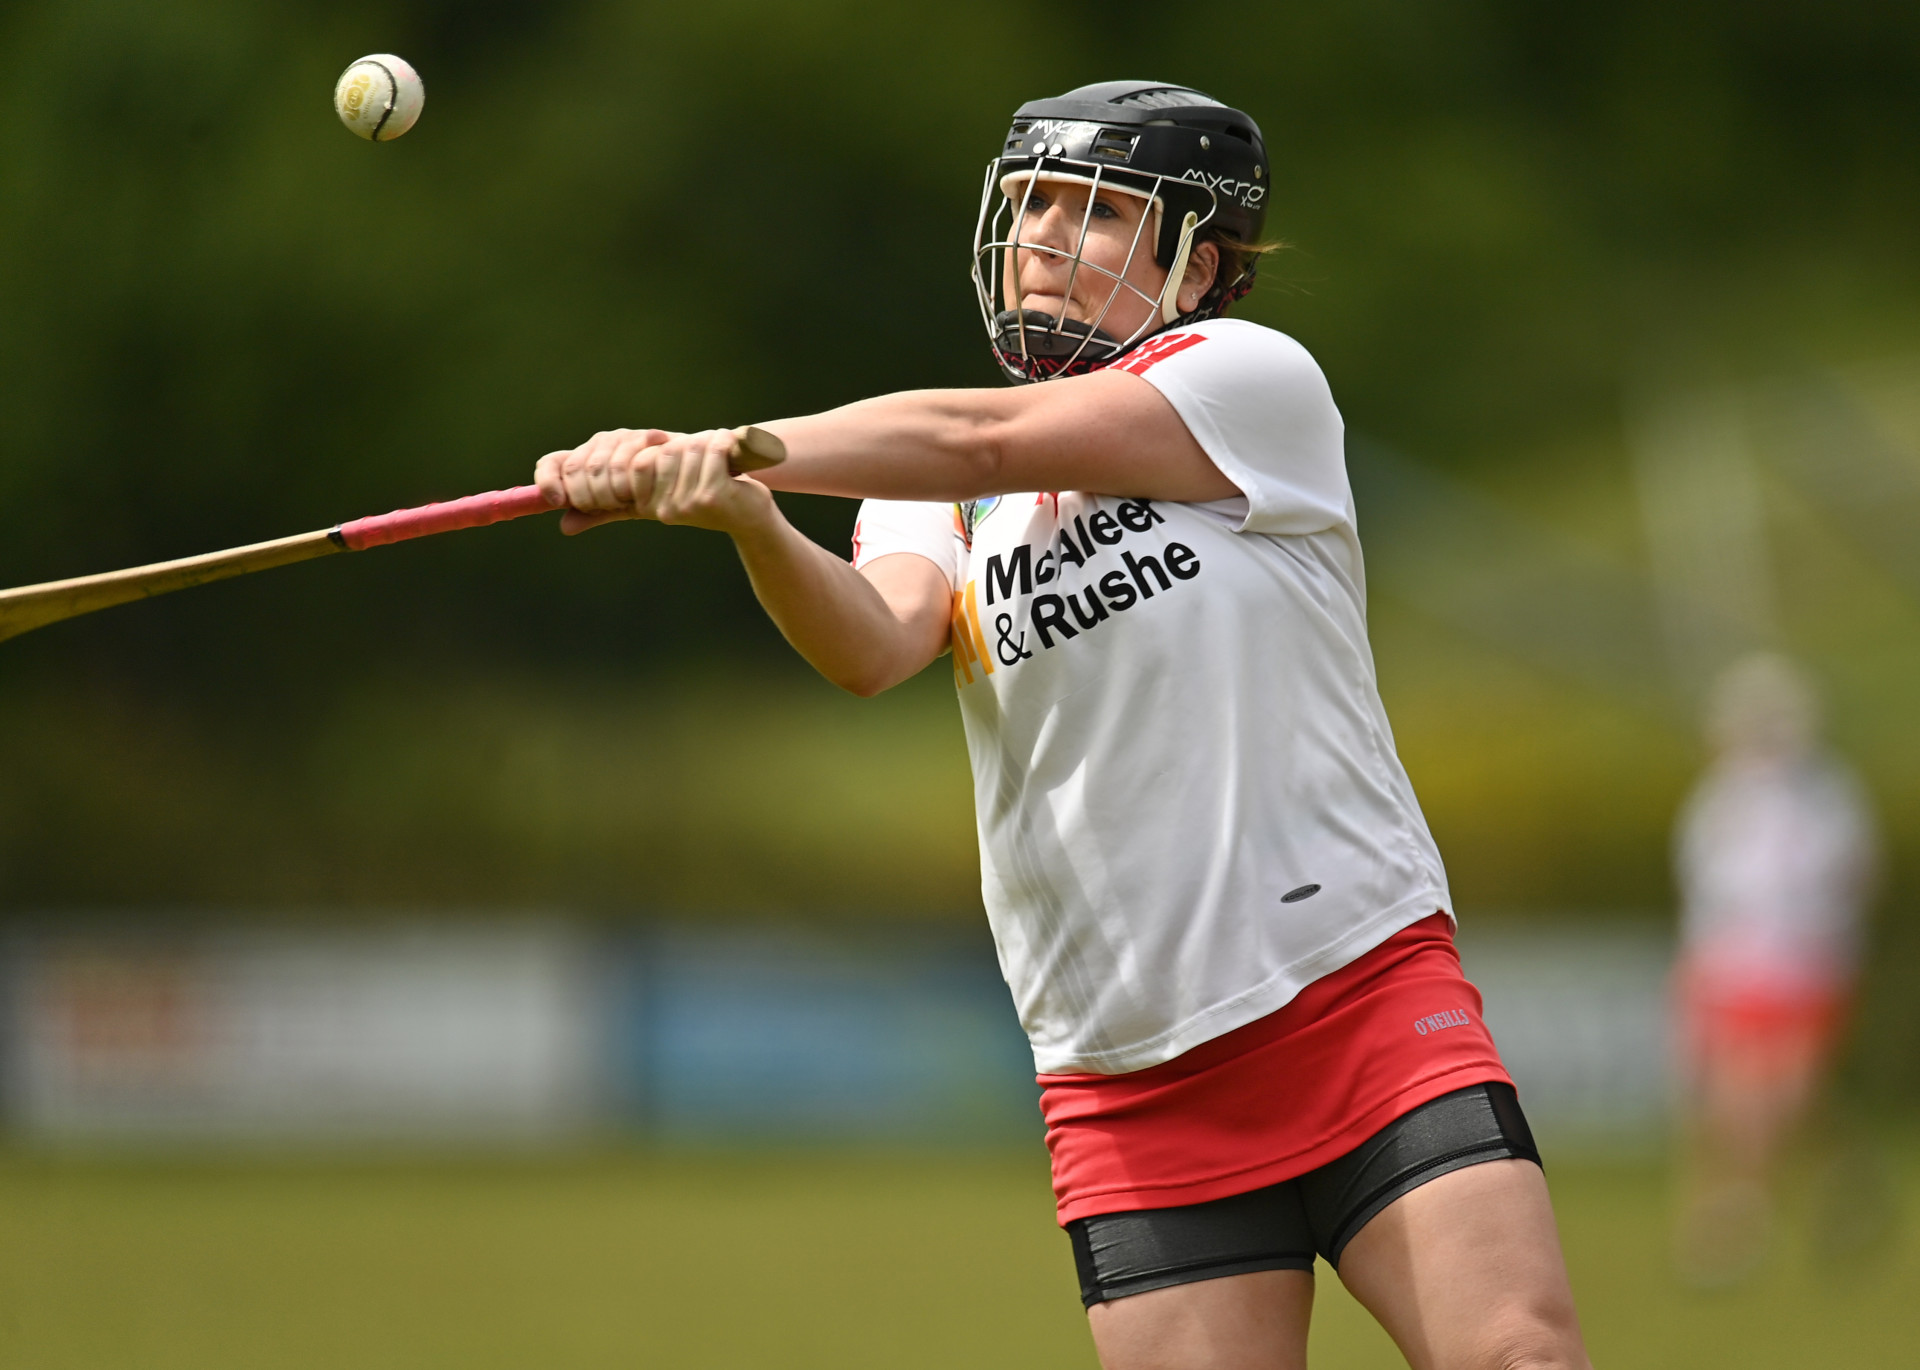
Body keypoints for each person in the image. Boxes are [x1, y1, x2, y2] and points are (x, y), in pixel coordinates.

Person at [536, 82, 1591, 1370]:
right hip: (1130, 1075)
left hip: (1355, 997)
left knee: (1517, 1357)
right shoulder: (931, 493)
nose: (1040, 233)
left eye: (1089, 211)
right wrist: (743, 517)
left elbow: (976, 438)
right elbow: (874, 642)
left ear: (1196, 264)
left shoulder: (1245, 382)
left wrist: (729, 445)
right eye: (1030, 201)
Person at [1671, 652, 1879, 1284]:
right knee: (1734, 1098)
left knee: (1788, 1095)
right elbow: (1706, 892)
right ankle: (1732, 1216)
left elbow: (1853, 878)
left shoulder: (1828, 799)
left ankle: (1766, 1201)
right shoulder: (1719, 802)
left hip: (1804, 969)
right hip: (1734, 968)